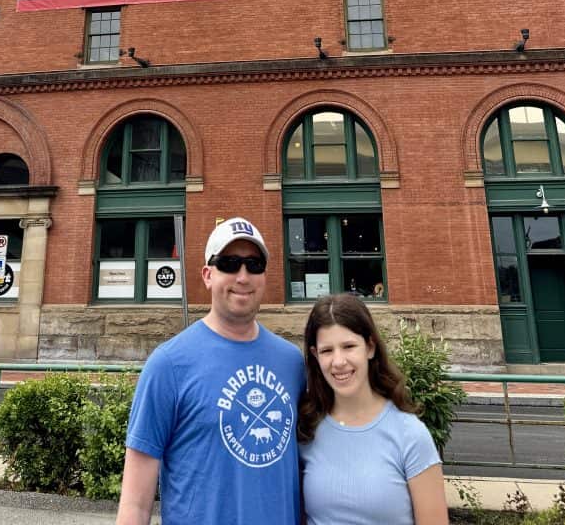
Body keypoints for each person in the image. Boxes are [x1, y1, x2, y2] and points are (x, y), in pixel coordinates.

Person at [116, 217, 305, 525]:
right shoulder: (168, 365)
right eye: (229, 263)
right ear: (207, 275)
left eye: (254, 265)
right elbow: (135, 504)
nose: (243, 276)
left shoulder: (292, 363)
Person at [298, 294, 449, 525]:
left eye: (348, 346)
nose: (338, 361)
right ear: (315, 355)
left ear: (370, 347)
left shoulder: (410, 435)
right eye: (327, 350)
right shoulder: (307, 429)